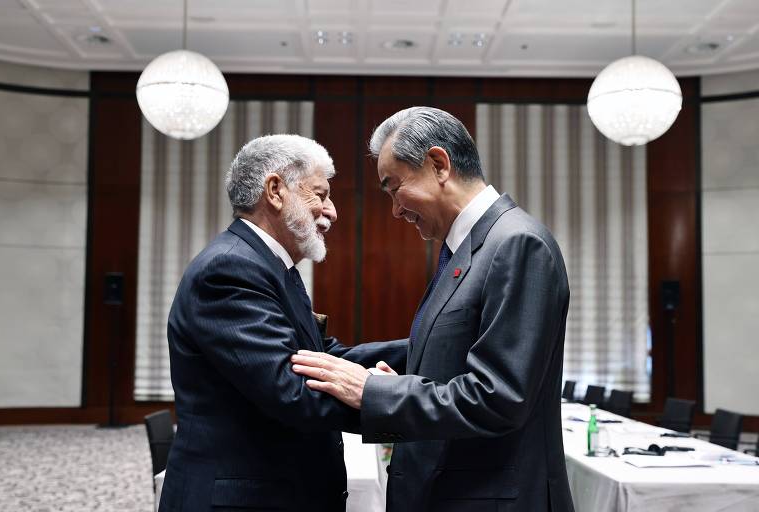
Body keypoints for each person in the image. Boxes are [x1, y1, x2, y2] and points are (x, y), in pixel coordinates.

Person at [291, 107, 574, 511]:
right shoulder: (470, 247)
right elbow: (450, 354)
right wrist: (380, 374)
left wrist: (377, 392)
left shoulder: (516, 243)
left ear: (439, 164)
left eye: (393, 188)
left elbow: (500, 397)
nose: (395, 211)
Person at [159, 134, 406, 512]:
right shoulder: (230, 268)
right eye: (321, 195)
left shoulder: (270, 266)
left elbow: (323, 356)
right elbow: (292, 394)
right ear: (275, 190)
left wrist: (425, 346)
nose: (333, 211)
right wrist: (398, 402)